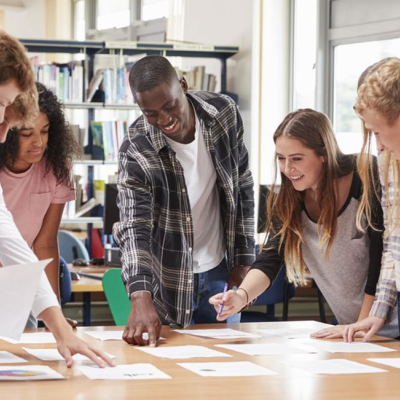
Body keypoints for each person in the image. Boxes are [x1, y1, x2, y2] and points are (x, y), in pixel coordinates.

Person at [209, 108, 398, 339]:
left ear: (324, 154)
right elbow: (270, 258)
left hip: (386, 321)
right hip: (351, 326)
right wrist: (241, 296)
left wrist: (361, 325)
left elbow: (381, 256)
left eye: (297, 159)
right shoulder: (290, 201)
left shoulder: (365, 176)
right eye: (281, 158)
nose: (288, 169)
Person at [113, 55, 255, 346]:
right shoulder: (137, 148)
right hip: (167, 280)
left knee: (224, 372)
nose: (164, 120)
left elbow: (242, 186)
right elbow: (134, 227)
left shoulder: (223, 113)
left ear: (183, 85)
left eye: (169, 106)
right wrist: (140, 296)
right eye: (150, 113)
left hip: (220, 272)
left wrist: (244, 260)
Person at [0, 30, 114, 368]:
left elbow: (13, 242)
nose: (3, 127)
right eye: (3, 105)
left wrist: (59, 326)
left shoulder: (53, 167)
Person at [0, 82, 80, 306]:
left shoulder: (57, 169)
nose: (38, 142)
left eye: (44, 131)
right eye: (27, 134)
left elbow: (45, 243)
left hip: (20, 283)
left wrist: (53, 311)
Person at [344, 57, 400, 342]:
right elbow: (393, 246)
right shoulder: (389, 163)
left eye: (378, 131)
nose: (377, 144)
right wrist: (378, 310)